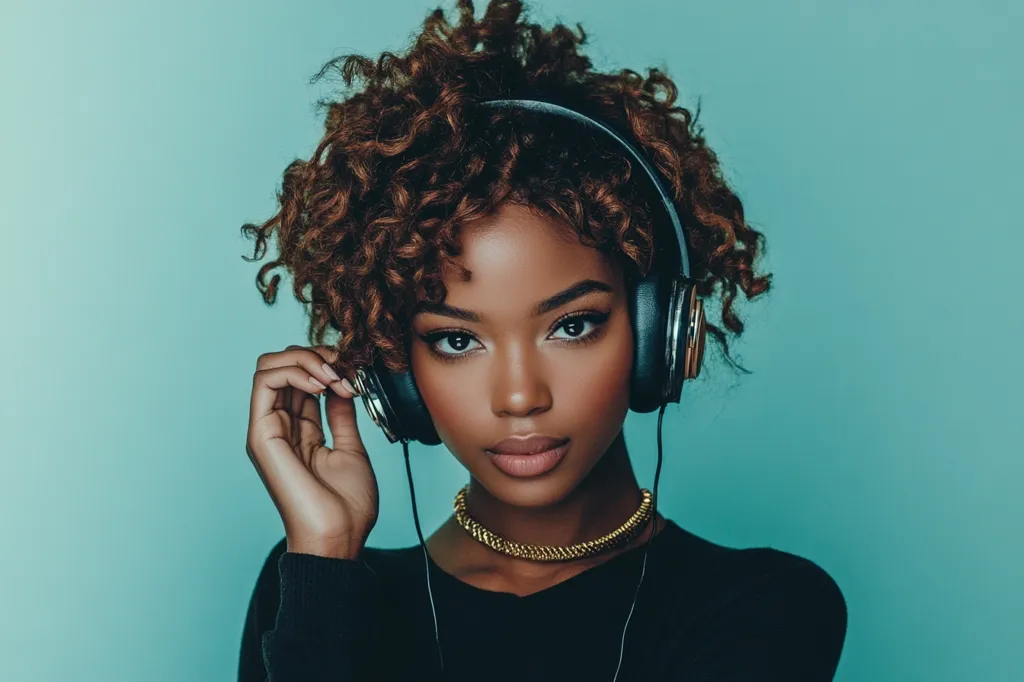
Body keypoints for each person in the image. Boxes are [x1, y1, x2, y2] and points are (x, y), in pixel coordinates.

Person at [235, 1, 847, 680]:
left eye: (572, 326)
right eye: (457, 341)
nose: (520, 396)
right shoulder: (315, 588)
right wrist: (324, 557)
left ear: (662, 337)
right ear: (396, 375)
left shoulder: (767, 607)